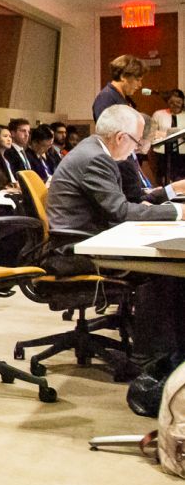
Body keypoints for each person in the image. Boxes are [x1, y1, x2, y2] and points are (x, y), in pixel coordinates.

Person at [46, 104, 185, 360]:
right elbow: (120, 211)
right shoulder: (96, 158)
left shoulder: (92, 150)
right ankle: (153, 357)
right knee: (162, 269)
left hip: (83, 239)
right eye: (135, 141)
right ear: (121, 137)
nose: (136, 148)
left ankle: (163, 351)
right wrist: (178, 213)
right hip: (75, 250)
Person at [92, 54, 144, 121]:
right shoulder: (106, 98)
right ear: (123, 76)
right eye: (137, 80)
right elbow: (107, 128)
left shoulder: (124, 98)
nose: (140, 85)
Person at [151, 88, 184, 183]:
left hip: (182, 153)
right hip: (162, 152)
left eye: (178, 102)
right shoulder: (158, 114)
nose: (175, 105)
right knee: (163, 177)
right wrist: (162, 134)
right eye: (172, 102)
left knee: (180, 179)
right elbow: (151, 133)